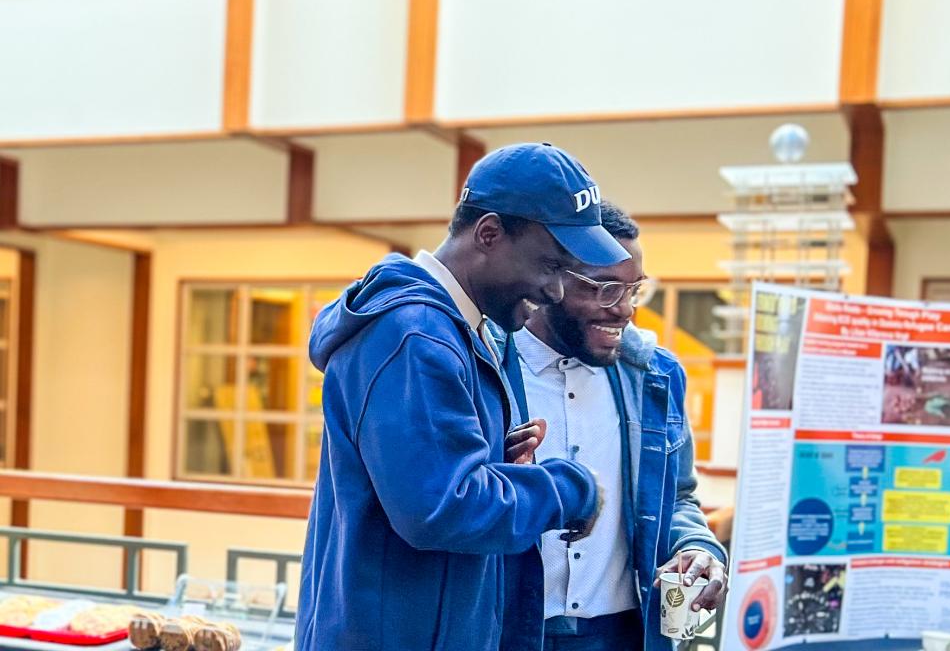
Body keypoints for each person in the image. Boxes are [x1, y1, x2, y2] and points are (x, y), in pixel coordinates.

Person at [295, 143, 631, 651]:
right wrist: (567, 489)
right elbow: (440, 509)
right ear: (489, 234)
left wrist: (494, 460)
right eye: (549, 265)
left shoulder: (451, 330)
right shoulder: (415, 335)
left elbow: (427, 483)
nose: (556, 292)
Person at [504, 201, 728, 651]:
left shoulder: (655, 377)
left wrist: (699, 546)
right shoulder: (487, 367)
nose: (623, 310)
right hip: (507, 628)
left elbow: (677, 496)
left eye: (633, 290)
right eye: (606, 289)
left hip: (623, 633)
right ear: (551, 280)